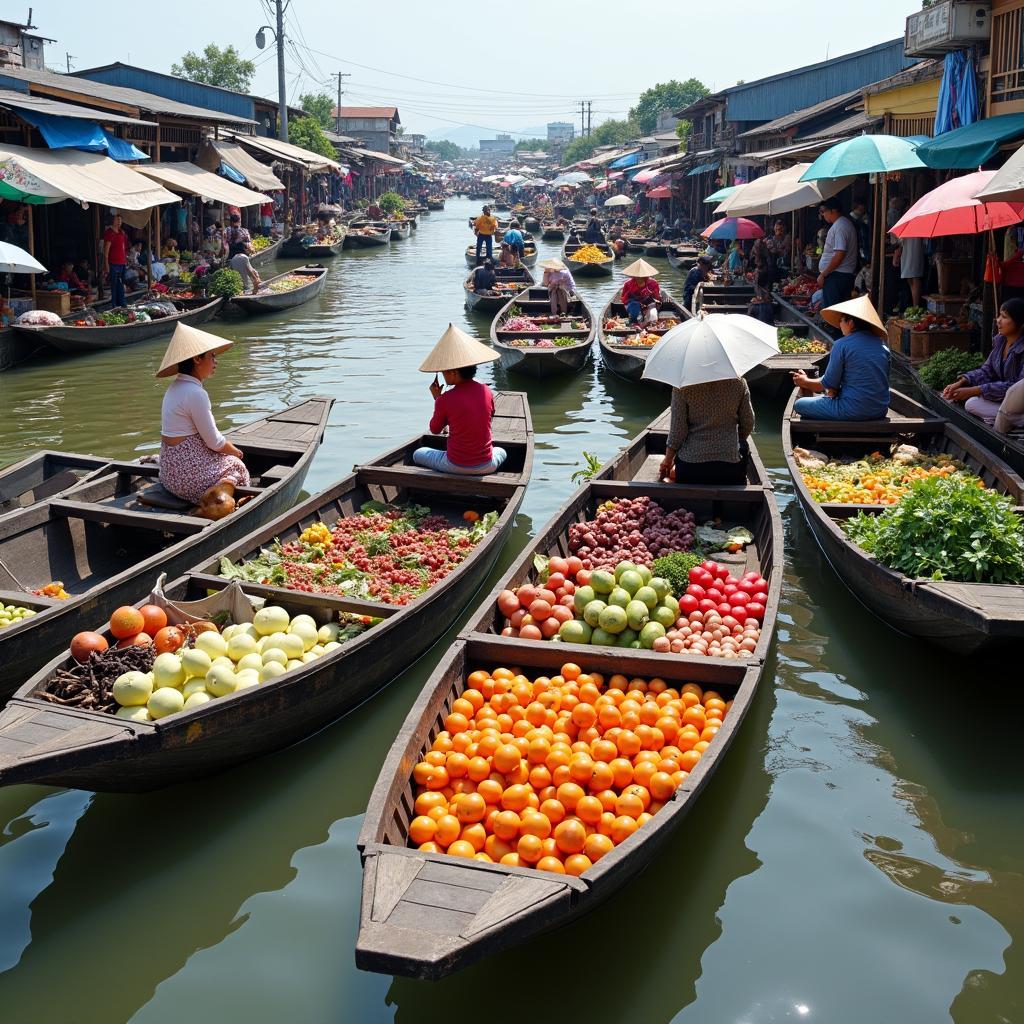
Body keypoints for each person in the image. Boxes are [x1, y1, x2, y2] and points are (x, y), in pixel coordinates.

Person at [156, 324, 250, 507]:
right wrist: (236, 452)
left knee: (225, 459)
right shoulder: (195, 393)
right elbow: (215, 442)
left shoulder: (174, 388)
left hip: (169, 475)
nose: (216, 362)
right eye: (212, 356)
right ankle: (217, 502)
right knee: (236, 464)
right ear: (197, 359)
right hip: (187, 479)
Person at [413, 325, 507, 475]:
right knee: (501, 451)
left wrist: (438, 399)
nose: (443, 374)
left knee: (418, 454)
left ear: (454, 372)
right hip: (486, 465)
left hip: (455, 465)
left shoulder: (445, 399)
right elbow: (489, 417)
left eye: (444, 371)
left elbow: (435, 430)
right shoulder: (486, 391)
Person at [793, 295, 890, 421]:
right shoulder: (883, 345)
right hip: (880, 410)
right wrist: (834, 389)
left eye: (841, 320)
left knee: (799, 405)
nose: (839, 325)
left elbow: (825, 384)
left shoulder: (841, 344)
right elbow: (881, 381)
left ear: (850, 323)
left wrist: (804, 381)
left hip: (851, 410)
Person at [657, 375, 754, 486]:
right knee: (744, 446)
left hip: (690, 469)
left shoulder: (682, 387)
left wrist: (667, 461)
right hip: (730, 470)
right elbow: (748, 423)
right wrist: (734, 441)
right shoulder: (739, 383)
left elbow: (677, 432)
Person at [942, 298, 1024, 428]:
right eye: (999, 316)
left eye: (1004, 317)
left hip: (1019, 403)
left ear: (1021, 324)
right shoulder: (1001, 342)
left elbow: (1015, 388)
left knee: (972, 401)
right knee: (972, 403)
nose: (998, 320)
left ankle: (1014, 419)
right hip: (1003, 401)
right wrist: (962, 382)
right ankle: (1003, 417)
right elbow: (987, 370)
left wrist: (975, 390)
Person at [816, 199, 858, 329]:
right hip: (840, 275)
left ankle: (835, 341)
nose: (823, 215)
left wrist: (824, 273)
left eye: (824, 211)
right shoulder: (842, 224)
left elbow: (840, 254)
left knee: (834, 314)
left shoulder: (840, 226)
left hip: (837, 276)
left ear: (833, 211)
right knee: (837, 313)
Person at [620, 259, 661, 325]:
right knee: (635, 308)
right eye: (637, 276)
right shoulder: (628, 284)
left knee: (653, 316)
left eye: (642, 276)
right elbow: (624, 299)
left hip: (649, 303)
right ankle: (634, 322)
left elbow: (657, 298)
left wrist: (652, 295)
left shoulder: (653, 283)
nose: (639, 278)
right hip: (633, 304)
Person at [102, 213, 129, 308]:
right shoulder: (109, 233)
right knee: (113, 286)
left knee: (121, 284)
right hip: (113, 264)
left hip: (122, 263)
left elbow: (123, 248)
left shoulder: (122, 233)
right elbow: (106, 252)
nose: (119, 222)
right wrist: (106, 266)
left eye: (120, 220)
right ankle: (114, 305)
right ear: (113, 221)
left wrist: (125, 260)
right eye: (117, 220)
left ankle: (122, 304)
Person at [895, 235, 927, 309]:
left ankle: (916, 307)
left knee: (915, 276)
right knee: (909, 277)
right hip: (906, 245)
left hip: (915, 244)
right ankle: (914, 307)